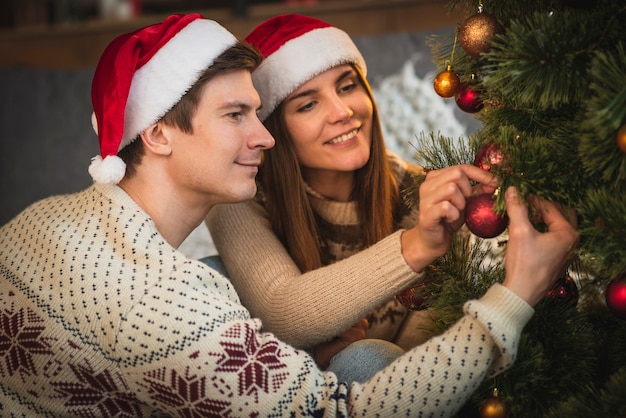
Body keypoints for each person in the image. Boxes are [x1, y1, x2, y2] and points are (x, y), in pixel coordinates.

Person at [0, 13, 578, 418]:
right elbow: (340, 410)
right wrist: (515, 294)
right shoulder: (166, 297)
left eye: (257, 112)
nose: (264, 137)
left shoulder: (41, 220)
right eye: (236, 116)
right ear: (155, 134)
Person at [203, 13, 567, 384]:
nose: (343, 112)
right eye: (307, 105)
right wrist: (418, 246)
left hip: (385, 391)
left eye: (347, 87)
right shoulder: (241, 197)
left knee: (367, 358)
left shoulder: (426, 199)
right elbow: (282, 311)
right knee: (212, 269)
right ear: (273, 130)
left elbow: (422, 359)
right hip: (284, 390)